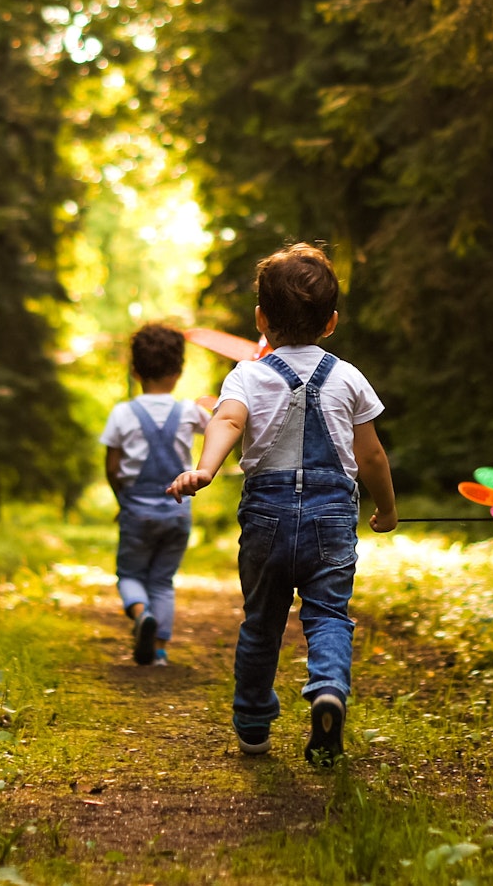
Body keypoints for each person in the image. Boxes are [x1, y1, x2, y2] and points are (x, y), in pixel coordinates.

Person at [166, 244, 396, 765]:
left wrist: (207, 468)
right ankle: (328, 689)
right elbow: (373, 454)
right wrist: (387, 509)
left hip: (268, 516)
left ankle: (252, 722)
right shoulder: (348, 376)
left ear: (261, 320)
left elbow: (226, 421)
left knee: (262, 621)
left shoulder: (248, 376)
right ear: (331, 322)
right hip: (332, 516)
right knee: (329, 616)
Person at [101, 322, 207, 666]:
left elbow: (113, 467)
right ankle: (159, 651)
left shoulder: (122, 413)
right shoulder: (189, 411)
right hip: (177, 513)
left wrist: (123, 501)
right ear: (179, 371)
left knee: (130, 575)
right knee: (162, 580)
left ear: (134, 370)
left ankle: (141, 613)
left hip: (137, 510)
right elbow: (223, 425)